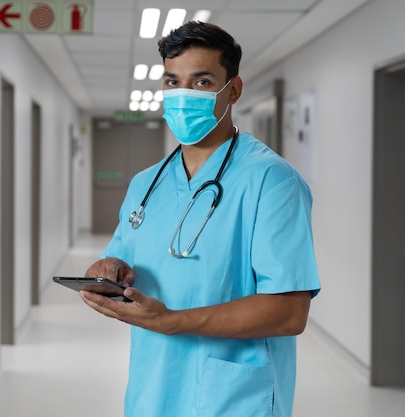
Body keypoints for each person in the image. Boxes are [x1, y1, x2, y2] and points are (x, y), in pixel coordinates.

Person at [80, 21, 321, 417]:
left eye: (202, 82)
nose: (182, 96)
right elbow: (121, 259)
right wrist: (109, 268)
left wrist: (173, 320)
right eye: (173, 83)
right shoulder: (146, 183)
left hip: (232, 396)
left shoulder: (272, 181)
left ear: (234, 90)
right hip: (152, 388)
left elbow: (290, 311)